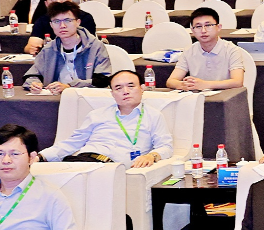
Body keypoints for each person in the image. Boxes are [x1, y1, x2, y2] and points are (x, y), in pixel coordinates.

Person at [40, 69, 171, 166]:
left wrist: (151, 156)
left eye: (131, 86)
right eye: (118, 88)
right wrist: (41, 157)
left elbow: (166, 147)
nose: (125, 91)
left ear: (142, 88)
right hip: (82, 161)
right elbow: (72, 143)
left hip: (111, 168)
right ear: (112, 93)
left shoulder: (153, 116)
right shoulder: (97, 114)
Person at [28, 2, 110, 91]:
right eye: (57, 21)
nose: (62, 26)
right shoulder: (49, 49)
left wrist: (70, 87)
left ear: (78, 22)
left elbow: (103, 80)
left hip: (87, 96)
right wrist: (34, 83)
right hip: (55, 96)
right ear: (51, 25)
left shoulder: (95, 46)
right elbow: (32, 75)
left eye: (68, 20)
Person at [166, 7, 251, 91]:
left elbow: (237, 82)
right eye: (198, 26)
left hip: (226, 97)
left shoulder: (232, 50)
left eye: (208, 25)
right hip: (198, 96)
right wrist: (182, 85)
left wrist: (205, 84)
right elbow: (171, 81)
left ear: (218, 27)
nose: (203, 30)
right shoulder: (189, 51)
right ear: (192, 30)